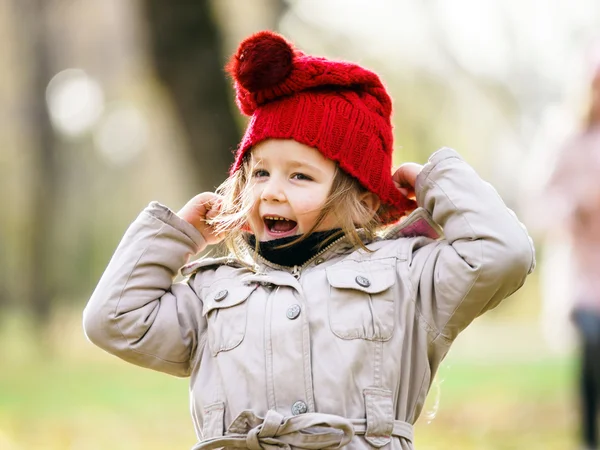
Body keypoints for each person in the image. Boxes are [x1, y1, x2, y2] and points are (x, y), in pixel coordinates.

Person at [83, 31, 535, 450]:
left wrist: (436, 180)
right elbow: (113, 318)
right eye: (259, 172)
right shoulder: (210, 293)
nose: (272, 190)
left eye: (300, 175)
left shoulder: (407, 276)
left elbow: (503, 253)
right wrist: (174, 236)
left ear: (359, 196)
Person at [539, 62, 600, 450]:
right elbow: (542, 201)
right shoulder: (568, 140)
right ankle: (589, 438)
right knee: (592, 350)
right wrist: (574, 208)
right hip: (583, 273)